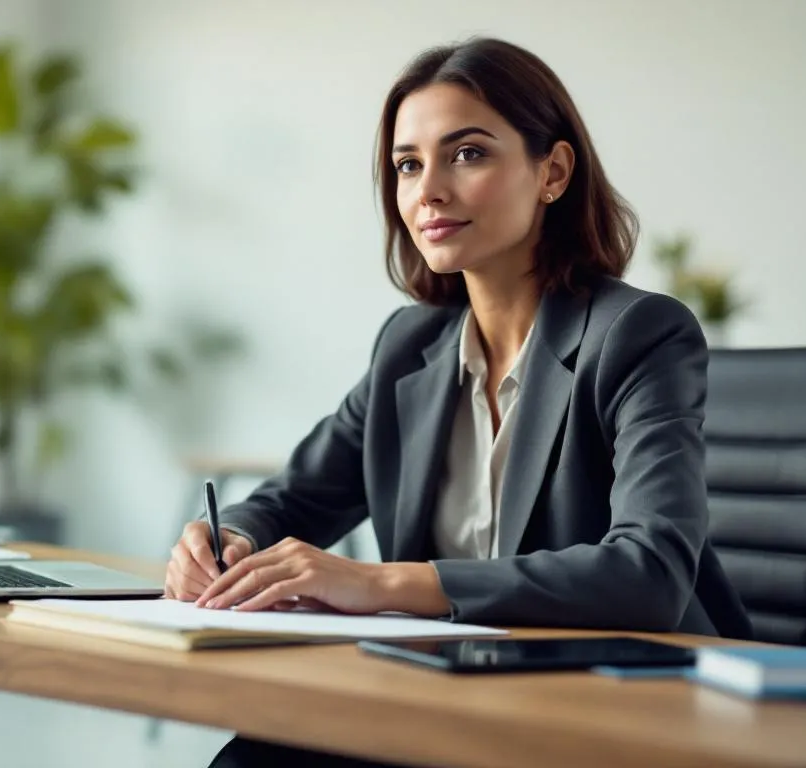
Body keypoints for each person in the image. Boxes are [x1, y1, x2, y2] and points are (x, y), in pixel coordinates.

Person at [164, 36, 753, 768]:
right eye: (408, 164)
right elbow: (295, 499)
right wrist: (233, 541)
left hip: (620, 710)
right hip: (450, 691)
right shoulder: (410, 346)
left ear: (553, 172)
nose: (428, 190)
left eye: (467, 153)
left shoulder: (638, 334)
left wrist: (382, 584)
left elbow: (650, 574)